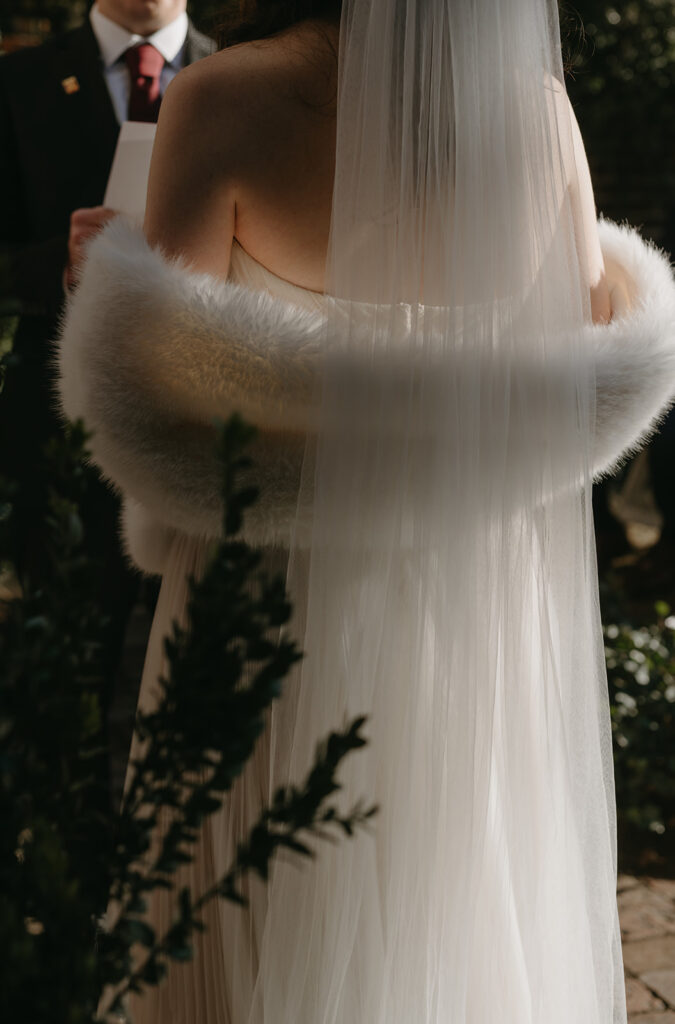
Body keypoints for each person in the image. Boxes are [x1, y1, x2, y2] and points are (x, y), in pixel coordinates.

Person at [57, 0, 675, 1020]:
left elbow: (165, 413)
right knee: (457, 911)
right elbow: (562, 382)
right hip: (469, 618)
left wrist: (112, 285)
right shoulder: (540, 118)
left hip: (264, 610)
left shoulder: (220, 100)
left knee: (245, 914)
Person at [0, 0, 213, 702]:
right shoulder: (19, 80)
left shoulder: (240, 80)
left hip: (204, 431)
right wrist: (57, 263)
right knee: (61, 695)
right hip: (64, 436)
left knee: (195, 692)